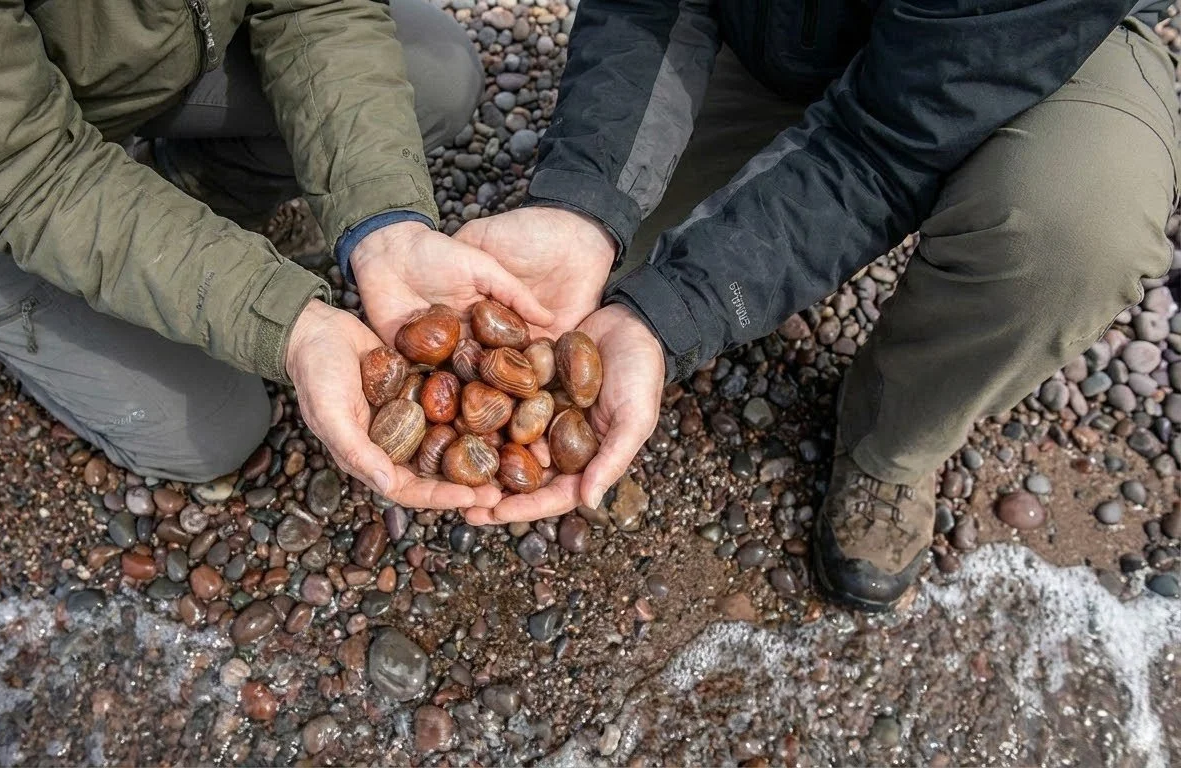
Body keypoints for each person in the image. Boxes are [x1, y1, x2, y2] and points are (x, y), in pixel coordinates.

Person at [458, 0, 1181, 611]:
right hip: (778, 29)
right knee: (589, 283)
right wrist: (584, 206)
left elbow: (884, 144)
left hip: (1031, 46)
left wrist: (679, 308)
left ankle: (892, 444)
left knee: (1070, 232)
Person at [0, 0, 556, 512]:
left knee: (434, 80)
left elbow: (317, 8)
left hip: (157, 62)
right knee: (209, 431)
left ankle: (187, 187)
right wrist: (281, 318)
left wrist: (386, 222)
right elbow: (23, 176)